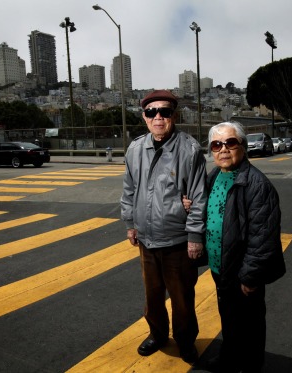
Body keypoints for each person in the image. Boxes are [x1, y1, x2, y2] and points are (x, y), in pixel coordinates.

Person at [185, 121, 286, 372]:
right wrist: (191, 205)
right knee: (228, 318)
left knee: (250, 324)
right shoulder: (215, 176)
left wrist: (251, 276)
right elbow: (208, 210)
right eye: (216, 145)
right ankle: (229, 357)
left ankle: (250, 365)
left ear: (242, 146)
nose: (223, 149)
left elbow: (263, 237)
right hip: (221, 267)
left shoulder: (257, 185)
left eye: (230, 143)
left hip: (243, 271)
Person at [120, 89, 208, 363]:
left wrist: (194, 236)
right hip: (146, 240)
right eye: (152, 112)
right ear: (144, 117)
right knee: (153, 296)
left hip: (178, 241)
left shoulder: (189, 149)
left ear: (174, 116)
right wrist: (130, 223)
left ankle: (185, 341)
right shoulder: (135, 148)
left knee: (182, 299)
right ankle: (157, 335)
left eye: (165, 112)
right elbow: (129, 189)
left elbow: (199, 195)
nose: (158, 117)